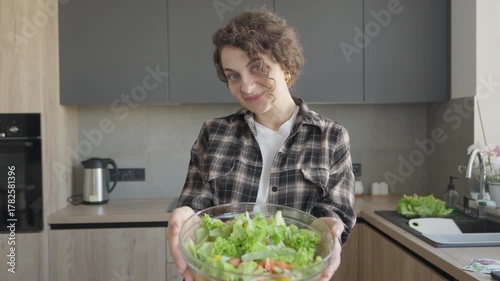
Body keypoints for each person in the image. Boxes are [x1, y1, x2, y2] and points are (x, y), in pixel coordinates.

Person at [167, 9, 356, 281]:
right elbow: (197, 209)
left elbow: (335, 214)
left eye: (257, 67)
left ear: (286, 66)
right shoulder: (214, 133)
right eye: (233, 75)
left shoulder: (331, 137)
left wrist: (329, 228)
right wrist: (185, 216)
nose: (245, 86)